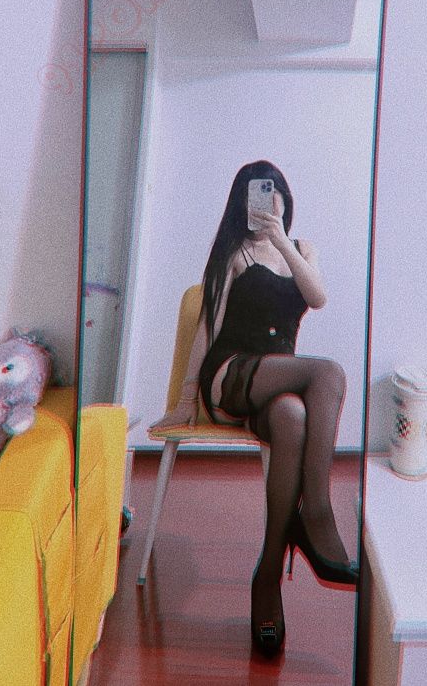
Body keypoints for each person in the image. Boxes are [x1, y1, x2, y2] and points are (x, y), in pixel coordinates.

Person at [151, 160, 357, 656]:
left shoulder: (300, 249)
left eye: (273, 192)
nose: (267, 201)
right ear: (241, 204)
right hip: (232, 376)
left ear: (285, 199)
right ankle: (316, 513)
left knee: (293, 416)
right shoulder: (233, 253)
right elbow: (207, 327)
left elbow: (318, 297)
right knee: (329, 373)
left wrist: (282, 241)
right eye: (255, 194)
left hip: (275, 386)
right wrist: (186, 400)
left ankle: (266, 579)